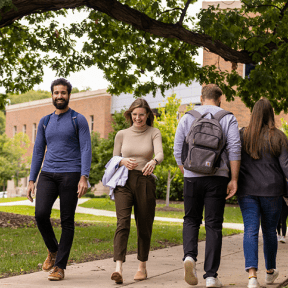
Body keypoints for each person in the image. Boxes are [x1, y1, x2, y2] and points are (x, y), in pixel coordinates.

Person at [173, 84, 241, 287]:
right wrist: (234, 178)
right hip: (217, 177)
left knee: (191, 219)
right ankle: (211, 275)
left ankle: (189, 257)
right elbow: (235, 149)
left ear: (202, 98)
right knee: (213, 225)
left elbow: (178, 148)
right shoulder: (227, 117)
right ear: (220, 99)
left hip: (192, 176)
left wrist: (186, 170)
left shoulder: (188, 116)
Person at [26, 78, 92, 281]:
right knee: (40, 214)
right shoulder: (45, 121)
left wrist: (84, 176)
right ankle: (53, 250)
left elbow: (85, 148)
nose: (59, 96)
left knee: (67, 221)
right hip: (48, 173)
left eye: (63, 93)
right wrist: (31, 179)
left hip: (71, 174)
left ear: (69, 95)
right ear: (52, 95)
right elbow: (38, 151)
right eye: (56, 93)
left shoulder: (77, 119)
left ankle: (60, 267)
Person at [110, 98, 164, 284]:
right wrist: (122, 161)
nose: (138, 118)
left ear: (147, 114)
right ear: (130, 115)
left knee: (144, 224)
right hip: (123, 181)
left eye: (141, 114)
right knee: (122, 222)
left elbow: (160, 153)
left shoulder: (153, 132)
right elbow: (114, 158)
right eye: (134, 115)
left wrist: (153, 162)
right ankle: (118, 268)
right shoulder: (122, 134)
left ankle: (142, 266)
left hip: (145, 181)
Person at [237, 98, 288, 288]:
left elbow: (233, 160)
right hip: (272, 191)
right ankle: (269, 272)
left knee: (250, 229)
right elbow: (286, 167)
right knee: (269, 231)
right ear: (271, 114)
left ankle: (252, 277)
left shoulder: (242, 135)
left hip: (247, 191)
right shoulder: (279, 137)